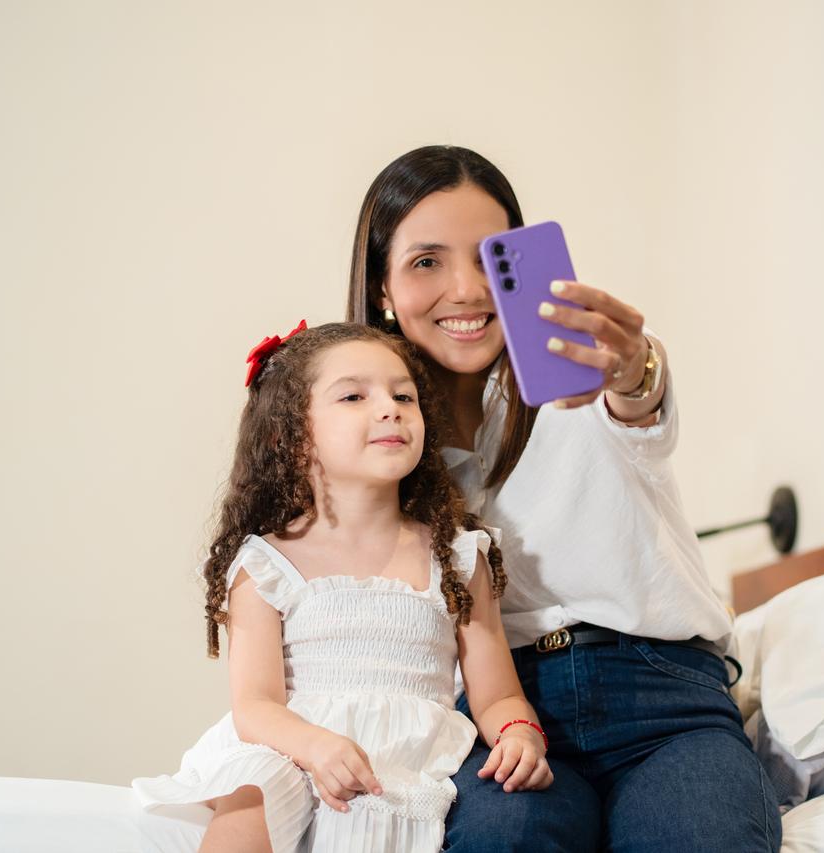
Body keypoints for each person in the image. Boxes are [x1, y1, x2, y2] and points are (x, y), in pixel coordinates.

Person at [345, 146, 782, 852]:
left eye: (490, 259)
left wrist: (636, 368)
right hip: (502, 718)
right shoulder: (379, 443)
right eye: (427, 261)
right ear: (382, 289)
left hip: (663, 701)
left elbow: (638, 404)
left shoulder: (580, 369)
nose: (467, 289)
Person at [132, 322, 552, 853]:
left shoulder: (458, 557)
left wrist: (518, 732)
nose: (390, 409)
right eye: (354, 396)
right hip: (289, 751)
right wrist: (315, 746)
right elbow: (255, 705)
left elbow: (498, 696)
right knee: (254, 790)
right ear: (291, 436)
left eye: (404, 396)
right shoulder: (266, 563)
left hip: (398, 769)